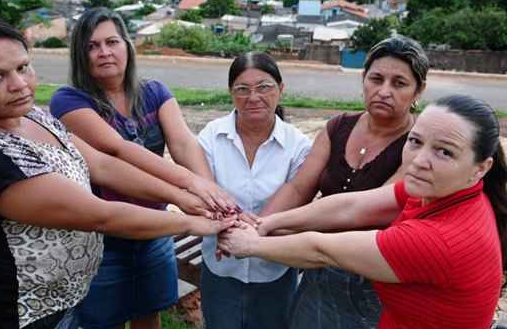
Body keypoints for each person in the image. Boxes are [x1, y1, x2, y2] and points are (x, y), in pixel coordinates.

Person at [0, 18, 234, 329]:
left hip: (67, 301)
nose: (19, 85)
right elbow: (100, 216)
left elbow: (103, 166)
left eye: (23, 68)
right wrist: (194, 222)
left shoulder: (34, 116)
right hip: (22, 314)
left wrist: (181, 195)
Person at [219, 94, 507, 329]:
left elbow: (322, 250)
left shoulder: (440, 239)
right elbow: (351, 206)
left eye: (444, 152)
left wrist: (252, 244)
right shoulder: (440, 189)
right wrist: (267, 223)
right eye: (416, 142)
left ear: (481, 168)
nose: (420, 160)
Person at [49, 8, 234, 329]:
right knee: (100, 320)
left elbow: (183, 144)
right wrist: (187, 192)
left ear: (127, 46)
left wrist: (212, 197)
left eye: (112, 41)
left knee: (149, 312)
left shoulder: (155, 92)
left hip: (154, 229)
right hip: (101, 237)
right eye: (92, 46)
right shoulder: (69, 101)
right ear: (80, 54)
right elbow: (116, 150)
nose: (104, 52)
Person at [258, 35, 430, 328]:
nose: (384, 91)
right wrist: (258, 223)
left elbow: (361, 209)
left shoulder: (419, 142)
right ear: (363, 80)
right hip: (318, 267)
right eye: (376, 79)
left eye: (399, 83)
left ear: (418, 91)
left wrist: (266, 229)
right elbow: (299, 187)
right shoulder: (337, 127)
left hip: (375, 282)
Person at [197, 52, 312, 329]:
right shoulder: (212, 137)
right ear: (230, 93)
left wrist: (249, 233)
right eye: (242, 89)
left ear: (281, 90)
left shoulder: (298, 146)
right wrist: (228, 227)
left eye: (264, 87)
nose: (253, 97)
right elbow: (202, 191)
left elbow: (296, 200)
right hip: (220, 263)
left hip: (274, 267)